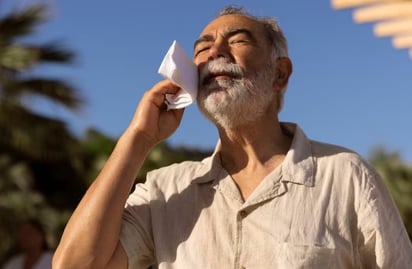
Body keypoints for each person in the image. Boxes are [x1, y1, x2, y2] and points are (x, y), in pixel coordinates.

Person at [52, 5, 412, 269]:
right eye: (202, 47)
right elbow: (76, 265)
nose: (215, 52)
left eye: (237, 40)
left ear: (280, 74)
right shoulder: (165, 191)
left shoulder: (347, 176)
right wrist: (138, 138)